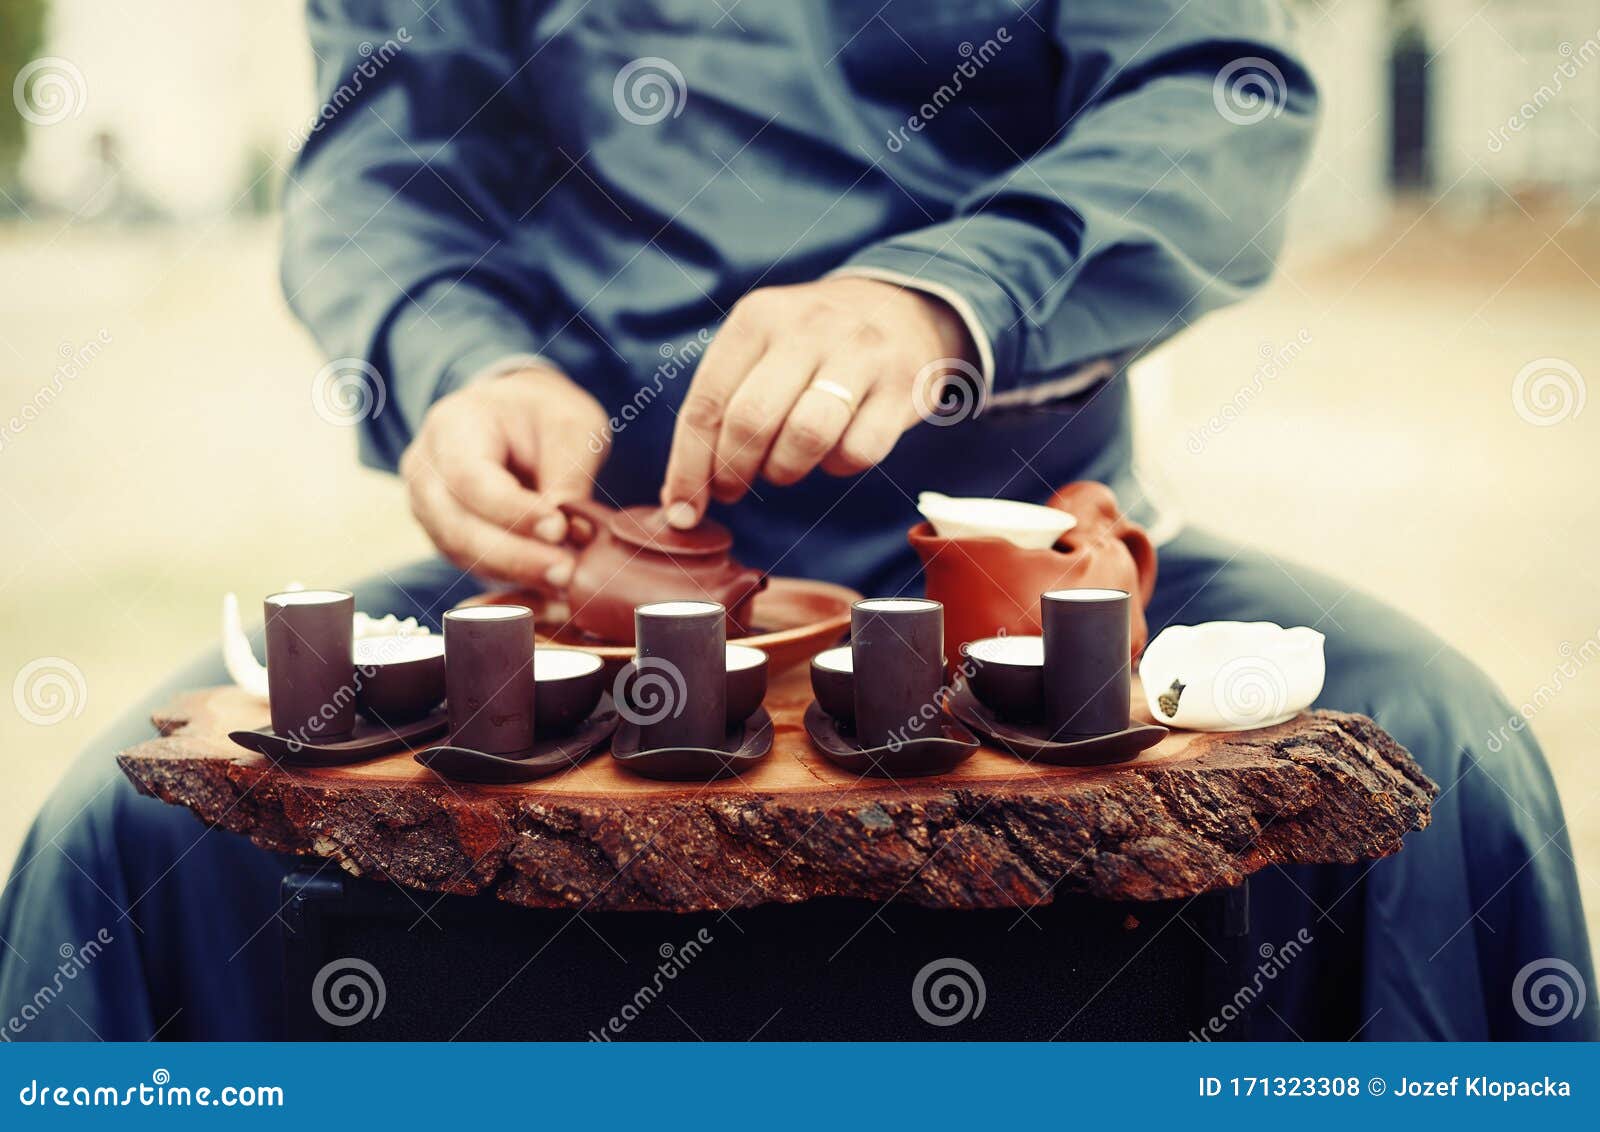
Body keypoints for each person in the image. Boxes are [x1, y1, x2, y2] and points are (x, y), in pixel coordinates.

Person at [1, 1, 1591, 1041]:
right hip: (584, 591)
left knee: (1450, 762)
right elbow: (390, 153)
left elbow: (1215, 96)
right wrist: (451, 355)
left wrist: (948, 293)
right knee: (124, 838)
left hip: (1029, 569)